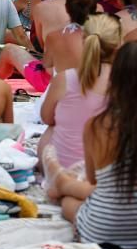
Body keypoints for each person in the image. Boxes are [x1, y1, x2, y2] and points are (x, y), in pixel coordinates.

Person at [47, 41, 137, 249]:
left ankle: (62, 182)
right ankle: (63, 182)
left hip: (100, 231)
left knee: (69, 203)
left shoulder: (96, 125)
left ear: (115, 80)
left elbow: (93, 182)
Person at [40, 13, 118, 171]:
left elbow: (46, 117)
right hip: (106, 170)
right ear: (117, 44)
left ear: (84, 40)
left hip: (63, 168)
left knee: (51, 129)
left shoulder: (64, 78)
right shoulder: (124, 81)